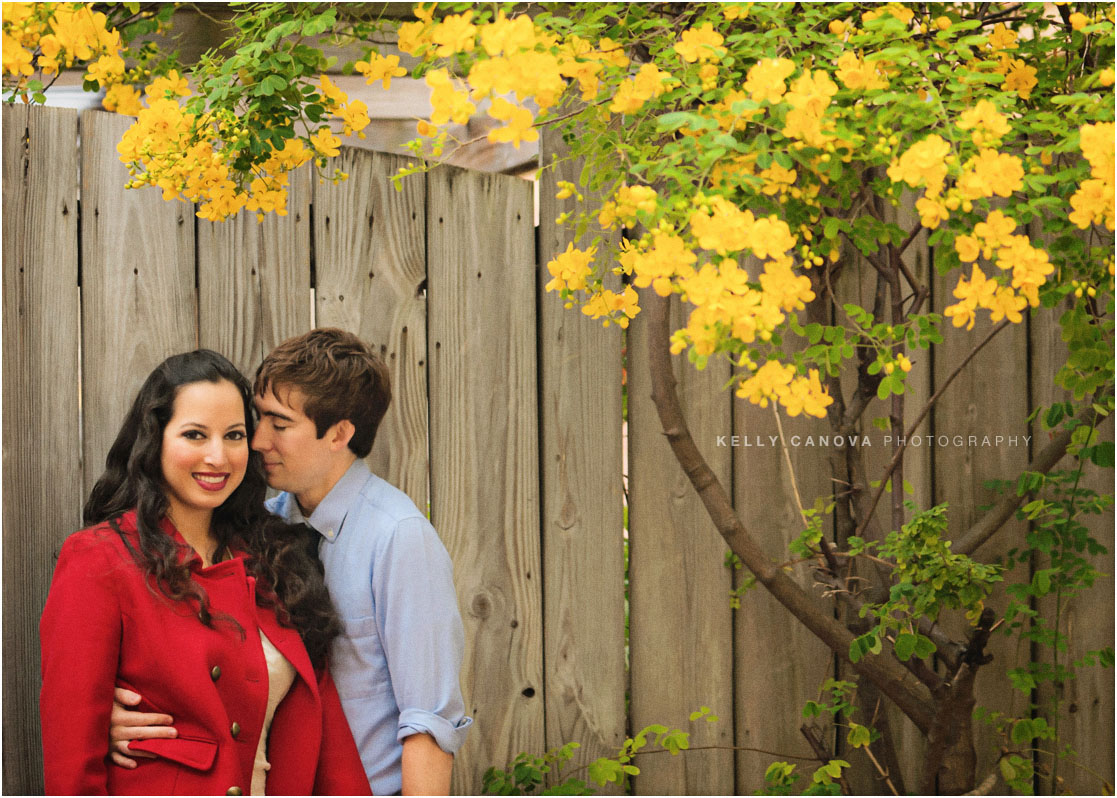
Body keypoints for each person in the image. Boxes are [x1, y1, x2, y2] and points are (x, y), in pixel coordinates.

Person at [110, 329, 472, 795]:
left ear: (339, 434)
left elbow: (429, 722)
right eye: (258, 418)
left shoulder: (398, 538)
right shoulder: (260, 528)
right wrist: (122, 717)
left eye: (279, 425)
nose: (258, 440)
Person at [40, 350, 372, 796]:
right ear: (154, 439)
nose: (218, 457)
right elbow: (71, 766)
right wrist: (100, 720)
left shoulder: (277, 559)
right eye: (195, 434)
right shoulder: (99, 560)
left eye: (234, 435)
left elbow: (328, 738)